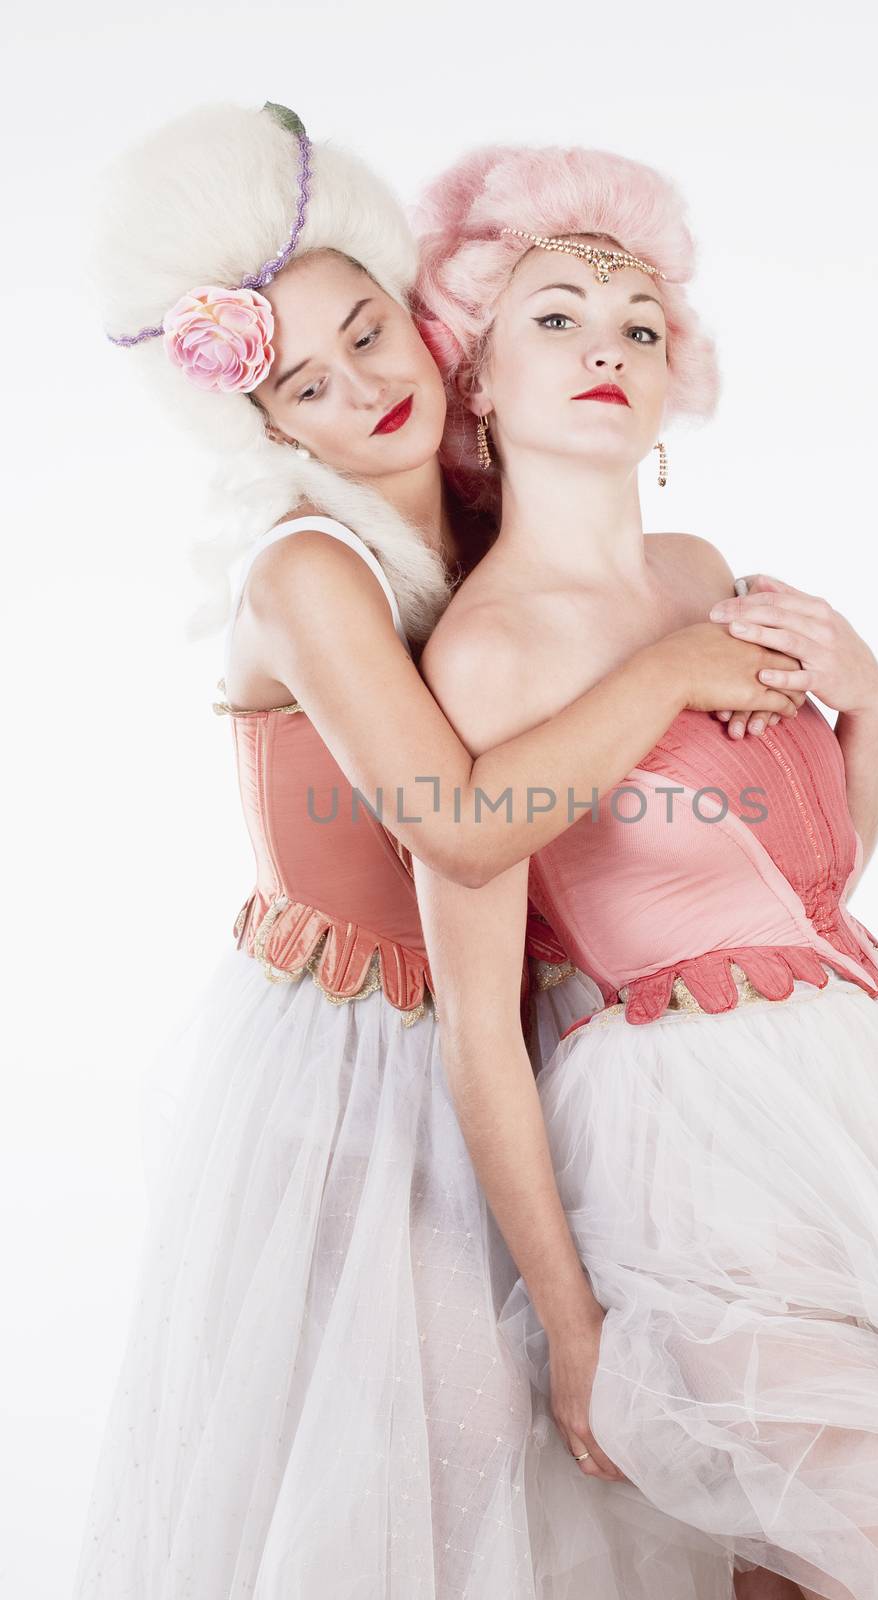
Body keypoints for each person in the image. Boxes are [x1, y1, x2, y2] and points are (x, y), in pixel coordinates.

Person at [74, 105, 805, 1599]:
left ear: (421, 310)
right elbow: (454, 821)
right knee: (450, 1461)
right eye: (308, 384)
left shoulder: (492, 521)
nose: (365, 388)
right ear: (268, 422)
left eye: (370, 331)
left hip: (533, 1024)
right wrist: (662, 679)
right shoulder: (307, 570)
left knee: (675, 1439)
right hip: (367, 1060)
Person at [411, 143, 878, 1600]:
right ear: (478, 380)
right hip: (691, 1164)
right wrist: (575, 1329)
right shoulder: (486, 651)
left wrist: (871, 709)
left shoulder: (705, 575)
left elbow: (798, 896)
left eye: (639, 327)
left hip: (862, 1116)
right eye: (558, 318)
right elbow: (475, 1027)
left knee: (820, 1564)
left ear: (668, 394)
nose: (608, 349)